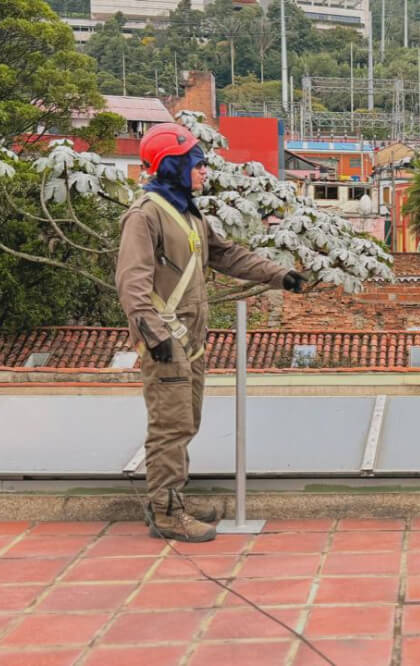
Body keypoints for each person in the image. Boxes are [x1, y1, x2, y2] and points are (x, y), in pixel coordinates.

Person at [116, 123, 305, 542]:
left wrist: (279, 275)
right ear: (173, 166)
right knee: (171, 426)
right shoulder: (145, 215)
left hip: (188, 340)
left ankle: (170, 499)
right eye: (196, 165)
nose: (203, 172)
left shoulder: (186, 213)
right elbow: (132, 284)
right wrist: (155, 337)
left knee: (185, 422)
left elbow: (226, 254)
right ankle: (166, 513)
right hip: (166, 341)